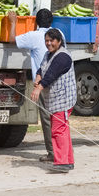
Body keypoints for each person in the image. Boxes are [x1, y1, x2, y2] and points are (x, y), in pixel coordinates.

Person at [8, 8, 54, 162]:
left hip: (44, 83)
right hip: (57, 81)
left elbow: (12, 39)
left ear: (36, 22)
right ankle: (61, 151)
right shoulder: (58, 35)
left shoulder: (34, 36)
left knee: (47, 120)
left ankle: (52, 153)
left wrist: (13, 22)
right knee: (58, 119)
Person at [30, 28, 77, 173]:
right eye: (47, 41)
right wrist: (38, 77)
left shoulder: (62, 57)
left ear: (59, 41)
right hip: (55, 100)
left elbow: (51, 75)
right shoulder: (48, 54)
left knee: (58, 131)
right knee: (62, 130)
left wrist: (39, 88)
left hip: (63, 100)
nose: (49, 43)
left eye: (52, 41)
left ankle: (62, 163)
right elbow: (42, 69)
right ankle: (68, 161)